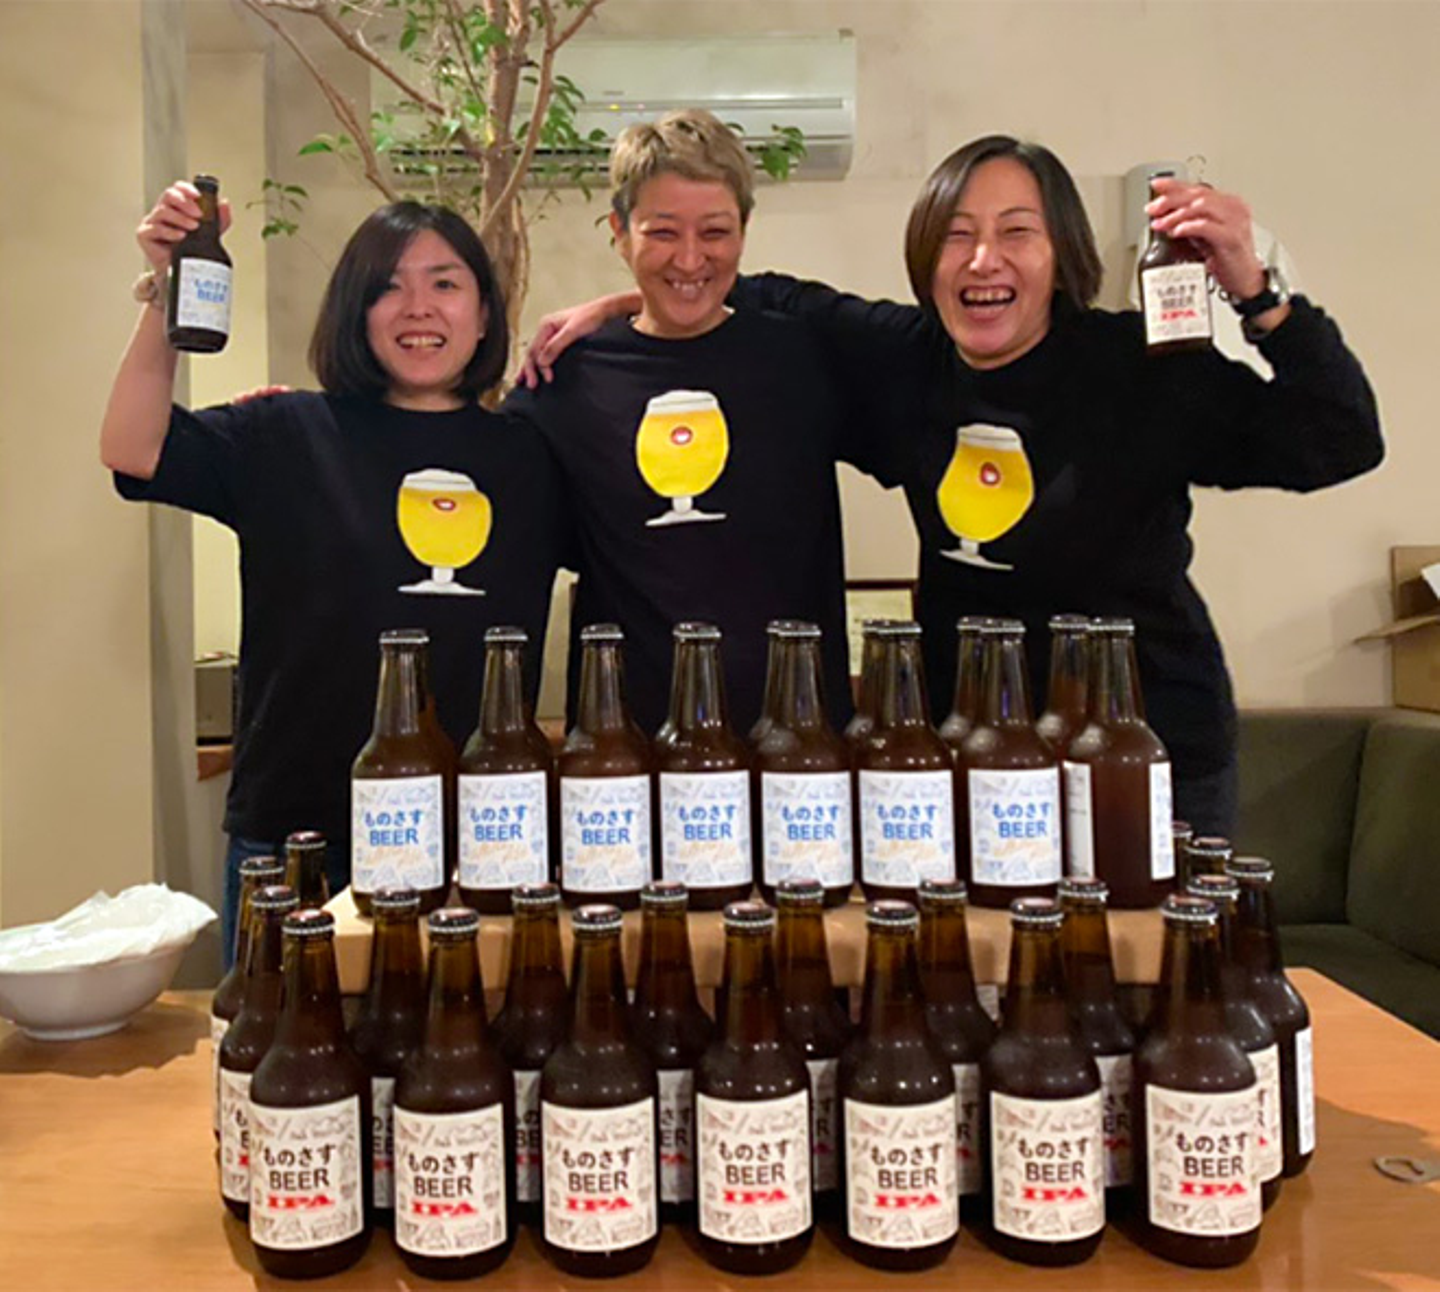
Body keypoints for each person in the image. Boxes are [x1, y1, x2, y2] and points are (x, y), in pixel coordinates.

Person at [524, 136, 1383, 836]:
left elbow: (1339, 440)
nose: (983, 260)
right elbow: (728, 287)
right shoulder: (905, 364)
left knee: (1150, 978)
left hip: (1143, 744)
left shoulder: (1137, 369)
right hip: (966, 744)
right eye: (957, 234)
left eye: (1017, 232)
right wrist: (618, 311)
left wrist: (1259, 296)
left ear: (1061, 252)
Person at [102, 183, 568, 960]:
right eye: (388, 287)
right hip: (298, 843)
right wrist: (166, 292)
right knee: (281, 1038)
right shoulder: (286, 432)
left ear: (485, 313)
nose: (418, 308)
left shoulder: (535, 457)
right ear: (355, 312)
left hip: (481, 842)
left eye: (445, 283)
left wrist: (620, 306)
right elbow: (131, 448)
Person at [506, 109, 869, 736]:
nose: (691, 257)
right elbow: (491, 502)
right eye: (663, 232)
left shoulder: (805, 359)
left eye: (716, 232)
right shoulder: (568, 379)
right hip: (627, 749)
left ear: (744, 232)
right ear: (620, 232)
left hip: (796, 746)